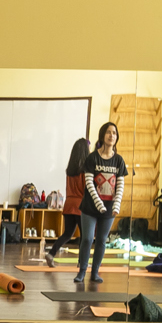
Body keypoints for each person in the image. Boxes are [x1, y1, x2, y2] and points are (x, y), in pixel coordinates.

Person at [74, 122, 125, 290]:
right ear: (103, 135)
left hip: (109, 209)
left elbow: (120, 186)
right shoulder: (92, 158)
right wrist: (98, 203)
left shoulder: (118, 161)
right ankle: (82, 271)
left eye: (114, 133)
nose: (112, 136)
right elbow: (89, 183)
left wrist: (116, 205)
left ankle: (95, 272)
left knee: (102, 240)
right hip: (90, 207)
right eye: (109, 132)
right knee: (87, 238)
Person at [44, 134, 91, 263]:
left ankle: (51, 254)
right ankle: (82, 262)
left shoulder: (70, 170)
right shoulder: (85, 170)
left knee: (67, 234)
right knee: (85, 237)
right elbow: (86, 189)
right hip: (80, 206)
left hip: (69, 204)